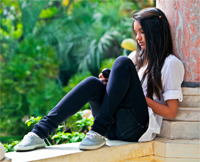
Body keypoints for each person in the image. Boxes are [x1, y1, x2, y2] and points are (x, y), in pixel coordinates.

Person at [14, 7, 184, 151]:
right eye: (136, 32)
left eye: (143, 32)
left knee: (122, 62)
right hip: (113, 126)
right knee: (93, 83)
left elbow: (171, 111)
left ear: (156, 32)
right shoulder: (135, 57)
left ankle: (97, 131)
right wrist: (112, 86)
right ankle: (39, 132)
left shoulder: (170, 63)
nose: (138, 38)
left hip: (136, 129)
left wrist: (140, 97)